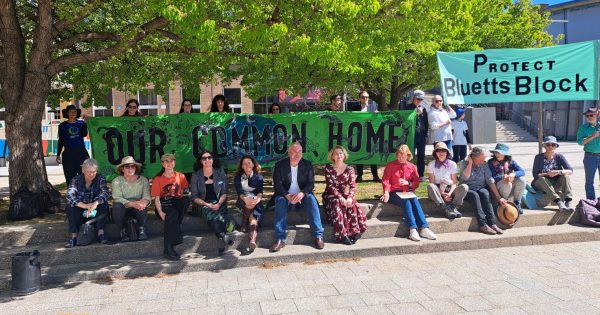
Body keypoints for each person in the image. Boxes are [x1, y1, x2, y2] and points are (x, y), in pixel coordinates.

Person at [271, 142, 324, 252]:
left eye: (300, 151)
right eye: (294, 151)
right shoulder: (280, 165)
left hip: (302, 197)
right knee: (280, 201)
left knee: (311, 199)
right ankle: (279, 239)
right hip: (285, 196)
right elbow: (277, 185)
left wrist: (302, 193)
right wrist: (288, 196)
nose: (298, 154)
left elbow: (311, 184)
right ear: (289, 152)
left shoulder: (307, 165)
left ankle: (318, 235)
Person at [381, 144, 437, 242]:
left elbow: (416, 182)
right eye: (398, 156)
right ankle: (412, 229)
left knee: (414, 199)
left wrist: (408, 183)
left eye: (402, 156)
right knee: (406, 200)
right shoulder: (391, 165)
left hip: (407, 191)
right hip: (394, 192)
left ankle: (424, 228)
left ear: (408, 156)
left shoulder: (412, 167)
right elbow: (386, 180)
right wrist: (386, 192)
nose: (400, 158)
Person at [190, 150, 233, 255]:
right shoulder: (196, 175)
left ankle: (221, 238)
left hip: (219, 202)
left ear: (213, 159)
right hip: (202, 204)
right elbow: (194, 197)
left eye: (209, 157)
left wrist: (218, 204)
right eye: (204, 158)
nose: (207, 160)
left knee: (217, 213)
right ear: (201, 161)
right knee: (210, 212)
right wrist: (207, 204)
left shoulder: (220, 172)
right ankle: (224, 236)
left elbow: (224, 192)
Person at [323, 146, 367, 245]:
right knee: (337, 202)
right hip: (331, 195)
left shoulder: (350, 169)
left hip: (346, 194)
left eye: (341, 153)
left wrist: (350, 198)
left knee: (352, 204)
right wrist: (341, 198)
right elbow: (330, 186)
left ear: (344, 155)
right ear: (332, 156)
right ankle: (342, 235)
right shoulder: (328, 168)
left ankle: (354, 232)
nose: (339, 155)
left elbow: (353, 186)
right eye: (336, 153)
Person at [459, 147, 506, 235]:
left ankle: (492, 224)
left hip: (480, 187)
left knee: (485, 193)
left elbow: (490, 180)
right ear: (472, 157)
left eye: (484, 158)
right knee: (474, 195)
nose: (483, 161)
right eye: (481, 159)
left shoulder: (484, 164)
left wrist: (499, 197)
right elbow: (464, 177)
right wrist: (470, 163)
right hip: (467, 189)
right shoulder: (463, 163)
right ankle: (482, 224)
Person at [65, 158, 110, 247]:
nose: (92, 174)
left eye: (94, 171)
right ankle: (73, 236)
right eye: (89, 171)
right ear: (83, 170)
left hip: (94, 211)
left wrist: (95, 203)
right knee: (70, 206)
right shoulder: (75, 180)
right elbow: (70, 195)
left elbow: (105, 192)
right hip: (81, 211)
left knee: (104, 204)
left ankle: (100, 233)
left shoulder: (100, 178)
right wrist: (84, 206)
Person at [151, 153, 189, 260]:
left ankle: (178, 223)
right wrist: (160, 212)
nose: (169, 163)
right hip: (164, 205)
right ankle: (168, 248)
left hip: (176, 202)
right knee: (172, 214)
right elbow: (157, 199)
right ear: (162, 164)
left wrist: (183, 195)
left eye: (171, 160)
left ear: (174, 162)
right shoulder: (157, 179)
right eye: (166, 161)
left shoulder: (181, 176)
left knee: (186, 200)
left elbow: (184, 193)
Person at [111, 156, 151, 242]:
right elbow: (117, 197)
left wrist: (143, 202)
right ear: (122, 169)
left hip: (138, 207)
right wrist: (132, 204)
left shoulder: (143, 180)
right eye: (127, 166)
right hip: (123, 207)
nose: (130, 169)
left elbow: (147, 196)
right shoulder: (116, 181)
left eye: (132, 166)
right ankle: (122, 230)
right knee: (117, 206)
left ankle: (141, 228)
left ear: (135, 168)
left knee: (142, 205)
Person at [427, 142, 468, 219]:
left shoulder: (452, 164)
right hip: (437, 190)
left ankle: (454, 208)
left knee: (464, 187)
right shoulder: (431, 164)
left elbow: (454, 183)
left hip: (450, 189)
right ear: (435, 153)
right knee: (430, 186)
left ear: (447, 153)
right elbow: (432, 182)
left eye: (443, 151)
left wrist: (449, 194)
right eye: (438, 151)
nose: (441, 153)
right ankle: (445, 208)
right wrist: (442, 194)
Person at [532, 136, 574, 210]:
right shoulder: (538, 157)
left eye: (553, 145)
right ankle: (558, 201)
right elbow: (535, 175)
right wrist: (548, 173)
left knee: (565, 176)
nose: (550, 147)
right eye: (548, 144)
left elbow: (570, 170)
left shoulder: (559, 157)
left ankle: (568, 201)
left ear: (556, 146)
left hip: (554, 184)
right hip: (540, 183)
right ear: (544, 146)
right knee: (542, 179)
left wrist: (558, 172)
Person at [233, 155, 264, 252]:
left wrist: (257, 200)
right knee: (249, 204)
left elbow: (260, 192)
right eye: (244, 164)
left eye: (249, 163)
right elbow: (240, 193)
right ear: (241, 166)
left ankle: (252, 240)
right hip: (242, 201)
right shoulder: (238, 177)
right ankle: (244, 225)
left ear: (253, 164)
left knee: (253, 219)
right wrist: (247, 200)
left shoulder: (259, 177)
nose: (247, 165)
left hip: (256, 202)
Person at [56, 104, 90, 185]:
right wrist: (58, 154)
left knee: (84, 175)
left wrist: (85, 123)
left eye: (74, 111)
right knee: (70, 176)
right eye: (71, 112)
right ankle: (72, 194)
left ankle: (84, 195)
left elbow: (84, 134)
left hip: (81, 153)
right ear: (67, 113)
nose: (73, 113)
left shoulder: (81, 123)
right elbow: (61, 140)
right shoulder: (62, 125)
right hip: (68, 154)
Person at [488, 143, 526, 214]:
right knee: (507, 183)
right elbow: (491, 178)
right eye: (496, 152)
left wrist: (513, 174)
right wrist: (503, 176)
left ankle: (517, 202)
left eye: (500, 153)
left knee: (522, 180)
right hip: (498, 187)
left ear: (505, 154)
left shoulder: (510, 161)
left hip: (510, 185)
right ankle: (504, 203)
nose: (497, 154)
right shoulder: (490, 162)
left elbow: (522, 171)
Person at [355, 90, 380, 182]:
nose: (365, 99)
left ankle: (375, 175)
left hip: (371, 134)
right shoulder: (354, 107)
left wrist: (377, 115)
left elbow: (378, 120)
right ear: (359, 98)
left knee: (372, 153)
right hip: (359, 134)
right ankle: (359, 175)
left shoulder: (373, 106)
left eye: (366, 97)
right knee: (360, 154)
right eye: (363, 97)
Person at [577, 107, 600, 200]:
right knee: (589, 182)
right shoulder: (583, 128)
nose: (589, 117)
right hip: (590, 157)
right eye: (587, 116)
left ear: (597, 115)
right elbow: (580, 142)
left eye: (591, 115)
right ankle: (591, 202)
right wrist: (593, 136)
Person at [406, 90, 429, 180]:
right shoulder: (408, 107)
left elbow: (425, 122)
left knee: (421, 155)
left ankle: (421, 174)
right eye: (418, 98)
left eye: (421, 99)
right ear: (413, 98)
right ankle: (409, 174)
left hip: (421, 134)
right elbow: (406, 119)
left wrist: (426, 134)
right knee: (410, 155)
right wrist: (415, 112)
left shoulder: (423, 108)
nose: (419, 101)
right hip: (412, 134)